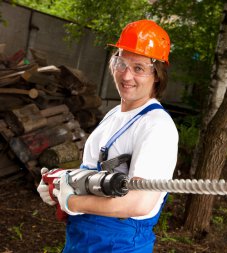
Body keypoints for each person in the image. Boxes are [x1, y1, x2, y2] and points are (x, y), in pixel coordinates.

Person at [37, 19, 178, 252]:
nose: (126, 75)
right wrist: (60, 182)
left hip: (118, 243)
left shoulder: (157, 127)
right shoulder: (116, 113)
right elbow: (94, 168)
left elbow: (139, 202)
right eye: (121, 62)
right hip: (82, 237)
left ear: (158, 74)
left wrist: (70, 200)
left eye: (139, 68)